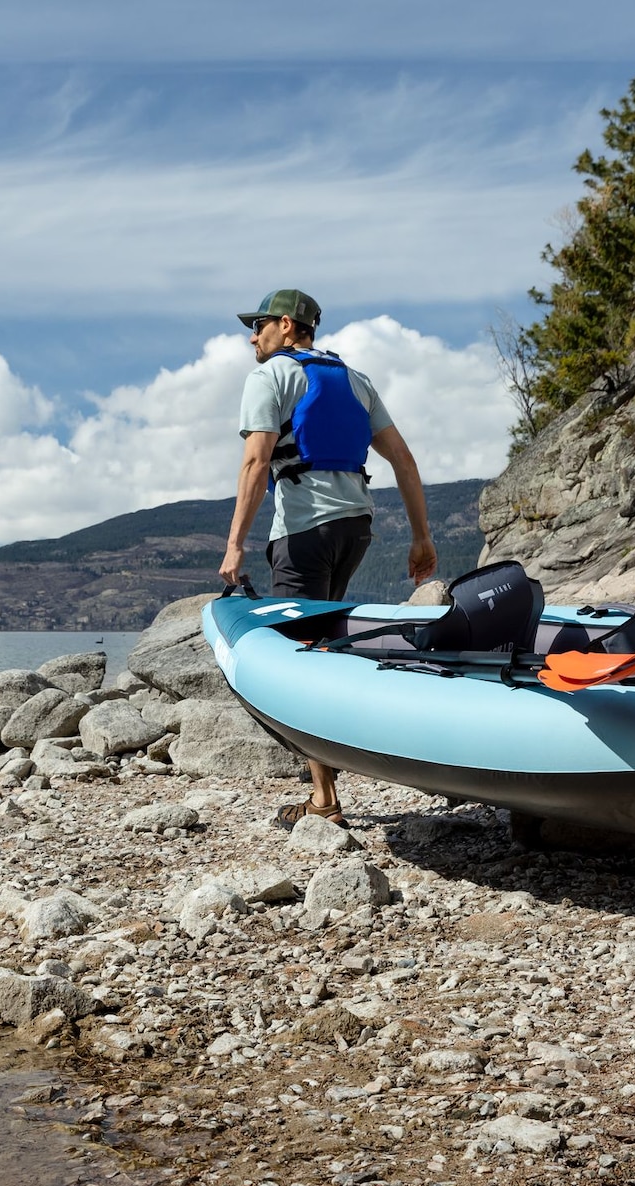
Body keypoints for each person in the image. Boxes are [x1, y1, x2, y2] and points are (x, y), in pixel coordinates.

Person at [218, 288, 437, 829]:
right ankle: (333, 777)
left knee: (299, 658)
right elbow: (404, 460)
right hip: (355, 529)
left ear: (287, 326)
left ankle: (324, 802)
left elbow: (255, 462)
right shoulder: (357, 382)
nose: (253, 335)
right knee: (322, 641)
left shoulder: (270, 378)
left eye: (260, 325)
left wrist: (234, 543)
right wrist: (421, 537)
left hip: (303, 533)